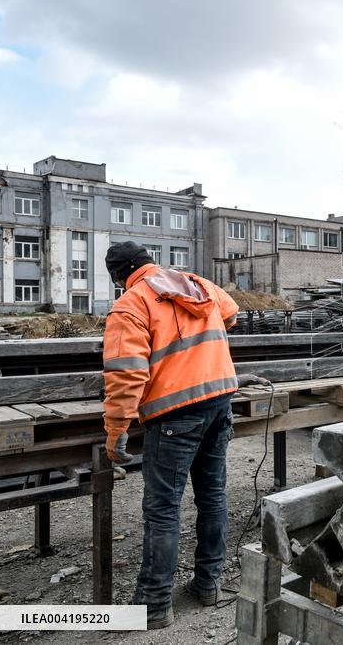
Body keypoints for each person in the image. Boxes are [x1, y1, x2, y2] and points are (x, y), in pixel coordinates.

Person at [102, 241, 240, 629]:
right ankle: (208, 585)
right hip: (219, 401)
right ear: (149, 262)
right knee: (213, 496)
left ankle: (154, 605)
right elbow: (231, 315)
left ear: (119, 276)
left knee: (163, 508)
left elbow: (126, 373)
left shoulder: (130, 304)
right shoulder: (198, 284)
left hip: (174, 414)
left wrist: (116, 430)